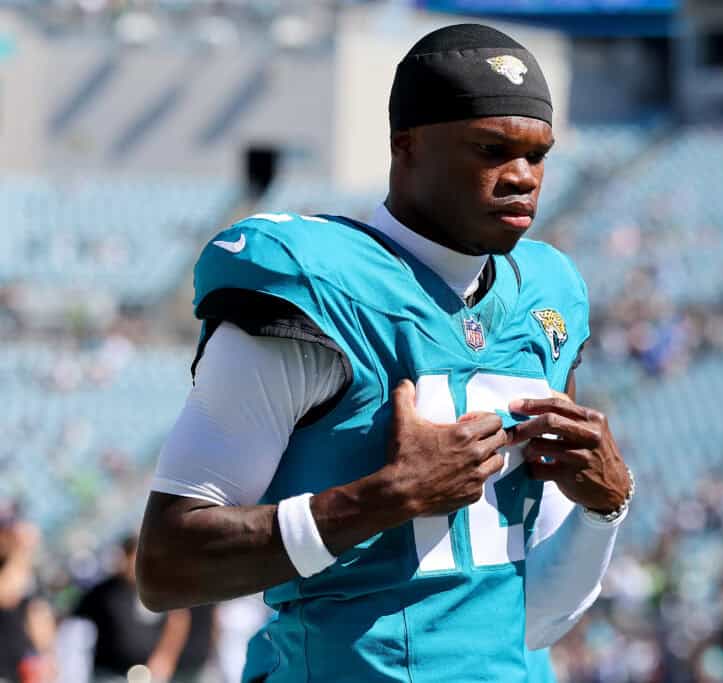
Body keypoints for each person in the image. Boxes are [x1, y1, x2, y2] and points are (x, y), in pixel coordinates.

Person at [136, 23, 633, 683]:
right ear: (407, 146)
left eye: (538, 155)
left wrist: (606, 509)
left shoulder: (549, 296)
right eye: (492, 149)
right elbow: (167, 564)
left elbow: (531, 615)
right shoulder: (312, 283)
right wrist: (382, 498)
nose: (522, 178)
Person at [72, 536, 199, 682]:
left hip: (151, 674)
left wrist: (164, 658)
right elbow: (73, 619)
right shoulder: (104, 592)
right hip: (110, 673)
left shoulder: (159, 589)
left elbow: (178, 620)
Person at [0, 505, 55, 683]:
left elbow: (42, 633)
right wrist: (21, 552)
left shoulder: (26, 575)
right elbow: (6, 594)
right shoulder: (15, 567)